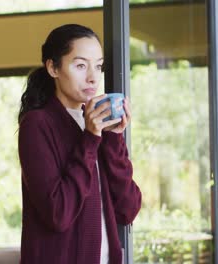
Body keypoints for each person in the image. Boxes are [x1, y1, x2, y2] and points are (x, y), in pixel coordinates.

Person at [17, 24, 142, 264]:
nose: (93, 77)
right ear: (53, 67)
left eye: (98, 66)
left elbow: (128, 209)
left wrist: (113, 137)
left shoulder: (97, 124)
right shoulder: (37, 124)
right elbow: (58, 213)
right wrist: (90, 138)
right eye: (81, 65)